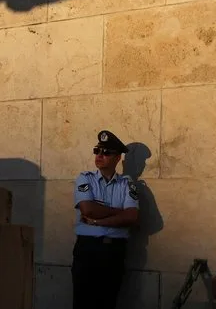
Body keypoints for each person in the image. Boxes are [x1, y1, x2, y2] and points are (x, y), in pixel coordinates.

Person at [71, 130, 140, 309]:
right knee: (82, 303)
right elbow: (88, 209)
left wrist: (98, 221)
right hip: (87, 250)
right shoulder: (85, 178)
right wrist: (119, 212)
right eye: (97, 151)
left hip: (114, 252)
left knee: (107, 303)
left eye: (106, 152)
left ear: (118, 159)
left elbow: (131, 216)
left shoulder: (127, 183)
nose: (100, 156)